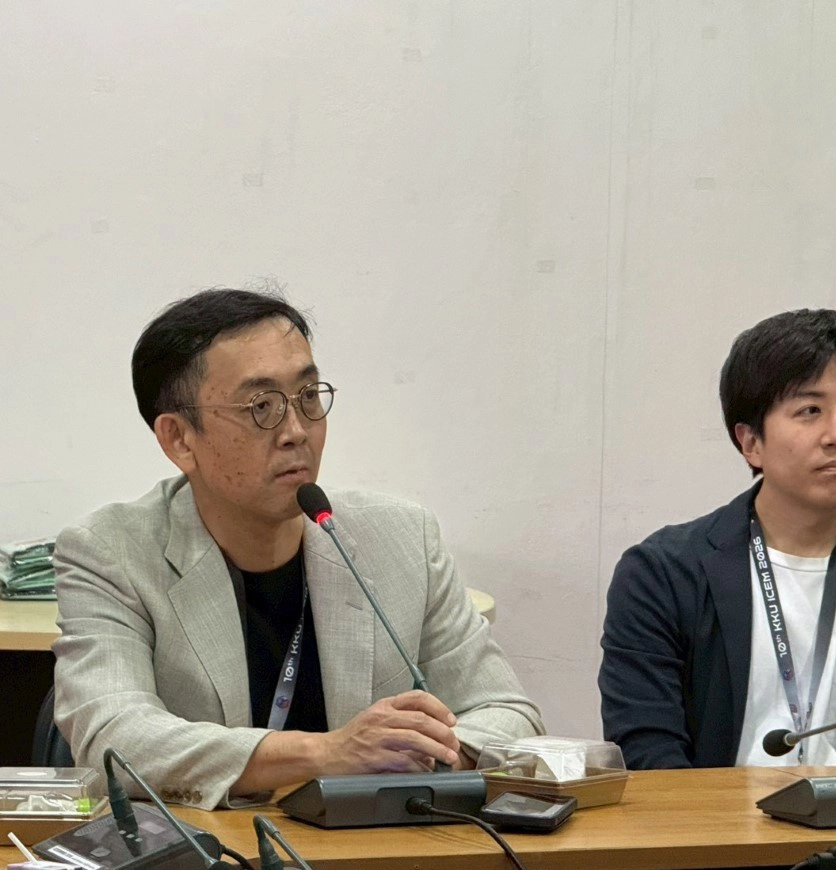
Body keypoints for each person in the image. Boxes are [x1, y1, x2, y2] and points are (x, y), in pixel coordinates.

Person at [52, 289, 542, 809]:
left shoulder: (401, 539)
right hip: (214, 847)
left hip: (377, 845)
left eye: (308, 397)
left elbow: (510, 715)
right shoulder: (110, 553)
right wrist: (326, 753)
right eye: (261, 407)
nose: (295, 432)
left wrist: (428, 753)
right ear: (179, 439)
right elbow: (115, 741)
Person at [599, 309, 836, 770]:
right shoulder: (661, 575)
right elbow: (648, 758)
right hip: (708, 814)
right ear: (751, 442)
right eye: (810, 410)